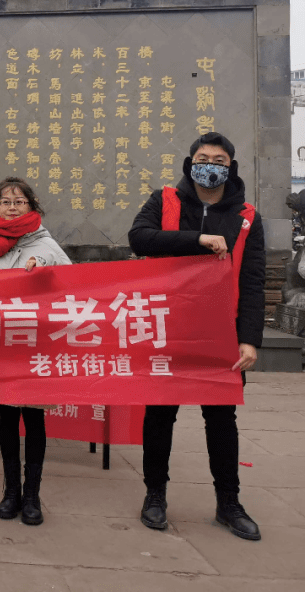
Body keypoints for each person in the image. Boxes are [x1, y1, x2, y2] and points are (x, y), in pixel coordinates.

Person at [128, 131, 265, 541]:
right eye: (203, 158)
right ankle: (155, 495)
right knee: (160, 416)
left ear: (230, 166)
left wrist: (250, 338)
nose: (211, 165)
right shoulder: (165, 200)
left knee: (221, 419)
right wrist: (197, 240)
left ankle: (229, 503)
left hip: (220, 332)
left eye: (219, 160)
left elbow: (253, 279)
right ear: (191, 164)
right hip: (166, 328)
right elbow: (139, 238)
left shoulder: (247, 216)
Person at [0, 177, 71, 526]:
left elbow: (73, 289)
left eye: (19, 201)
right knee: (6, 419)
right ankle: (10, 491)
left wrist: (46, 275)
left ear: (32, 207)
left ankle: (32, 494)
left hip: (36, 348)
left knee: (33, 419)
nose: (12, 207)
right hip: (1, 345)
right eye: (5, 202)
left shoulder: (47, 246)